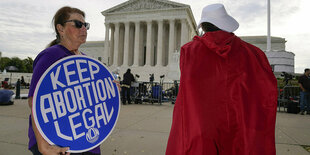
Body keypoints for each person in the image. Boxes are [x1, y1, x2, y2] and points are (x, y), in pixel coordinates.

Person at [166, 4, 278, 155]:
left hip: (203, 130)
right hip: (239, 129)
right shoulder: (254, 54)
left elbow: (186, 99)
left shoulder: (190, 51)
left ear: (204, 27)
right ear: (225, 23)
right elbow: (266, 91)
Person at [27, 6, 101, 155]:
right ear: (60, 28)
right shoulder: (50, 56)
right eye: (78, 24)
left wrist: (108, 88)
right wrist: (43, 146)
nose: (84, 29)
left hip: (87, 140)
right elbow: (35, 101)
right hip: (58, 141)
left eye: (85, 25)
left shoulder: (86, 60)